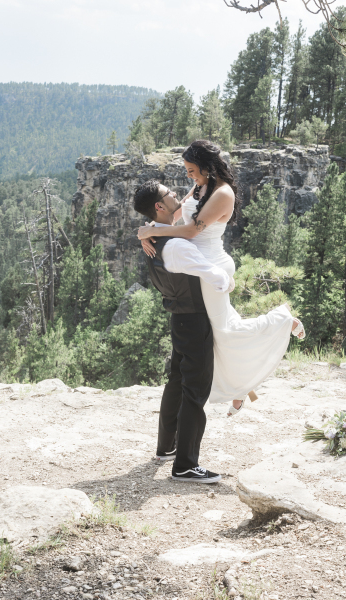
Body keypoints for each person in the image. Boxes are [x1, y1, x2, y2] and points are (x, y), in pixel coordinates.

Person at [138, 140, 305, 418]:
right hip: (198, 265)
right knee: (220, 331)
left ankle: (283, 320)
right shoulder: (201, 186)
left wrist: (151, 232)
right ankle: (243, 388)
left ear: (206, 167)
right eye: (188, 171)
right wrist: (148, 228)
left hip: (211, 267)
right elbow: (176, 213)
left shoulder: (222, 193)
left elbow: (191, 230)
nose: (189, 176)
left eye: (192, 170)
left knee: (224, 332)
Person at [134, 180, 236, 483]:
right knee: (195, 391)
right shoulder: (176, 245)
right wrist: (229, 281)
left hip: (178, 319)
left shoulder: (153, 236)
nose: (178, 195)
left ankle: (166, 449)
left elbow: (186, 197)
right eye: (170, 194)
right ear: (159, 206)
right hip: (195, 321)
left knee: (177, 382)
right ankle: (186, 465)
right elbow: (216, 278)